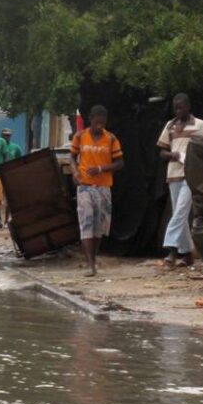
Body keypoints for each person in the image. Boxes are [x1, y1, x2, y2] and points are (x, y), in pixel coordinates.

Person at [70, 105, 124, 277]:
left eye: (103, 121)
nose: (99, 124)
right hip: (85, 186)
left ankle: (93, 257)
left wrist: (101, 169)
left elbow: (120, 163)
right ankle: (90, 264)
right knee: (86, 223)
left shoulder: (111, 139)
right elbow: (72, 157)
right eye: (96, 120)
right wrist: (75, 172)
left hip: (104, 187)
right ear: (91, 120)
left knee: (99, 226)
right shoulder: (80, 136)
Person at [158, 93, 203, 268]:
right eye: (175, 108)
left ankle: (171, 248)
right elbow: (162, 151)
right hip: (173, 172)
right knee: (181, 214)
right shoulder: (170, 126)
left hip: (190, 173)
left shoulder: (199, 125)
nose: (178, 111)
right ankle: (187, 253)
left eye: (181, 107)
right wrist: (173, 154)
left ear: (188, 107)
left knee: (180, 210)